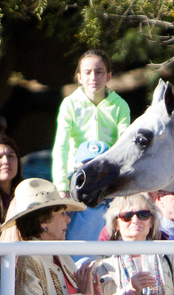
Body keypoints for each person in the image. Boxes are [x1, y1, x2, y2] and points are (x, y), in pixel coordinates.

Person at [52, 49, 131, 192]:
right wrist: (61, 187)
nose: (93, 77)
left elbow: (125, 146)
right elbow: (61, 147)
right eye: (87, 72)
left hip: (108, 178)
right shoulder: (69, 104)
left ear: (108, 76)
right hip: (76, 176)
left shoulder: (120, 105)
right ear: (79, 77)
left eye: (99, 72)